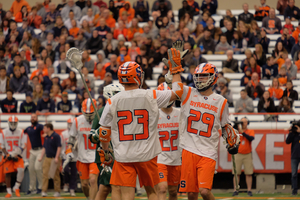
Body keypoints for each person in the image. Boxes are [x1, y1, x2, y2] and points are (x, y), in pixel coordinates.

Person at [98, 49, 181, 200]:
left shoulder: (112, 101)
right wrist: (175, 70)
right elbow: (178, 92)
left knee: (127, 196)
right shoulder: (151, 95)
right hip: (147, 154)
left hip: (124, 155)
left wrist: (106, 151)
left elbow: (104, 132)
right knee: (153, 193)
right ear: (138, 77)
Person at [89, 84, 124, 200]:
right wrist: (98, 134)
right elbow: (91, 138)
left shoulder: (122, 111)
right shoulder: (102, 112)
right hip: (106, 155)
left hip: (119, 153)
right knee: (116, 185)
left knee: (104, 188)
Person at [66, 99, 99, 200]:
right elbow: (71, 137)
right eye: (86, 113)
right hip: (82, 157)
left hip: (95, 156)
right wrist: (69, 150)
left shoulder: (100, 119)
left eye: (91, 113)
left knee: (93, 180)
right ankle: (89, 197)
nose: (89, 115)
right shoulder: (77, 120)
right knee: (84, 184)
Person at [155, 83, 181, 200]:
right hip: (160, 158)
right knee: (162, 188)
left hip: (176, 157)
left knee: (173, 191)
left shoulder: (180, 113)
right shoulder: (154, 114)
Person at [0, 116, 26, 198]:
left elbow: (23, 145)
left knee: (21, 170)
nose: (13, 124)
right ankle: (9, 192)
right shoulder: (3, 132)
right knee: (7, 173)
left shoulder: (21, 132)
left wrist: (16, 154)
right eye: (12, 123)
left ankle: (16, 187)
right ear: (8, 123)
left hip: (17, 155)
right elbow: (1, 145)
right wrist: (7, 154)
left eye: (14, 123)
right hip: (7, 155)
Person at [232, 117, 255, 196]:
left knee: (248, 173)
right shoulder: (237, 131)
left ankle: (249, 190)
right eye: (242, 122)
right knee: (236, 173)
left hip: (247, 153)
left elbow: (251, 138)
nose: (243, 123)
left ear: (247, 123)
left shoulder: (250, 131)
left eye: (244, 122)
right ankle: (236, 190)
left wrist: (243, 132)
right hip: (238, 153)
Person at [38, 123, 61, 197]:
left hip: (54, 158)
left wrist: (57, 157)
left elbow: (59, 147)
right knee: (45, 174)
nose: (43, 129)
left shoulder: (56, 136)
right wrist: (41, 157)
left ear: (49, 128)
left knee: (55, 175)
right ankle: (44, 191)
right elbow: (44, 147)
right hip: (47, 158)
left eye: (44, 128)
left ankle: (57, 191)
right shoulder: (46, 137)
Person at [24, 113, 44, 194]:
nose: (33, 118)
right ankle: (31, 188)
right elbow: (22, 133)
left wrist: (46, 134)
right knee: (31, 169)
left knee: (38, 168)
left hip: (40, 150)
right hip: (32, 150)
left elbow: (46, 129)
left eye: (34, 117)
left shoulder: (39, 126)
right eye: (32, 117)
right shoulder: (28, 128)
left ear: (37, 119)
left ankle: (41, 187)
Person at [60, 119, 77, 197]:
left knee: (74, 173)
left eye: (71, 123)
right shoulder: (63, 134)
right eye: (69, 123)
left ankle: (72, 189)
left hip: (75, 155)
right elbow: (61, 145)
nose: (70, 125)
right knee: (66, 170)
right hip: (65, 155)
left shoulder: (77, 133)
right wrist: (61, 154)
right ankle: (66, 183)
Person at [286, 121, 300, 195]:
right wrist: (291, 132)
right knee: (294, 174)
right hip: (294, 155)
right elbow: (287, 141)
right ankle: (294, 190)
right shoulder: (293, 134)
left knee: (294, 174)